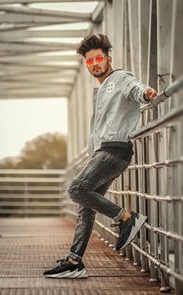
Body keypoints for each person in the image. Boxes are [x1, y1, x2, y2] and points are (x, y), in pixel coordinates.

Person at [44, 33, 157, 279]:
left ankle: (127, 218)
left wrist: (146, 92)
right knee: (86, 206)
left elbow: (135, 88)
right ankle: (75, 262)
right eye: (89, 61)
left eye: (98, 59)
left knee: (76, 189)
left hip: (114, 150)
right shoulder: (101, 90)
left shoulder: (120, 77)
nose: (94, 64)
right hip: (103, 153)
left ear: (108, 58)